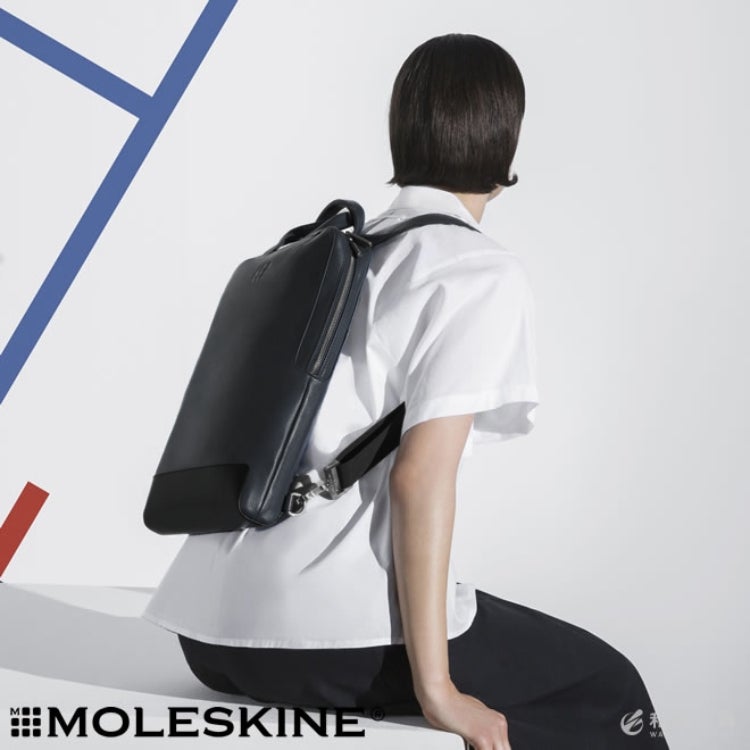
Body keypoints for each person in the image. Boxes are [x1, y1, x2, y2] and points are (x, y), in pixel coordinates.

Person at [142, 33, 671, 750]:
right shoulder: (475, 271)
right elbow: (419, 479)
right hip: (324, 639)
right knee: (606, 689)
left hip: (205, 630)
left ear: (404, 127)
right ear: (504, 139)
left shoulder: (337, 250)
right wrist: (438, 690)